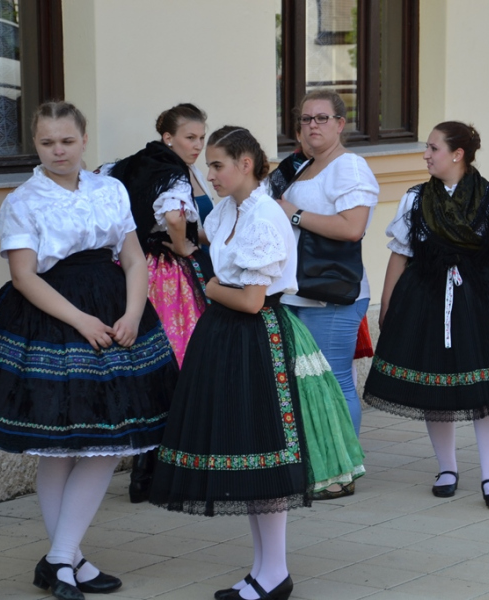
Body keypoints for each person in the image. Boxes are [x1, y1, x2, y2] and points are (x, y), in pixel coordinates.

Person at [0, 101, 178, 600]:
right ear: (35, 144)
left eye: (67, 141)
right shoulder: (23, 200)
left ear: (83, 140)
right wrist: (80, 320)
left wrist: (132, 313)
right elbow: (23, 276)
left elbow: (134, 259)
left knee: (110, 441)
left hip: (116, 311)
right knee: (60, 447)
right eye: (47, 142)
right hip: (52, 317)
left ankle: (62, 558)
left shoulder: (110, 189)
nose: (58, 151)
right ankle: (65, 559)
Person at [149, 126, 364, 600]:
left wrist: (208, 286)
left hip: (259, 335)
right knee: (249, 457)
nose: (210, 174)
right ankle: (265, 570)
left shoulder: (264, 215)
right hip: (228, 336)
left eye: (217, 164)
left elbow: (250, 300)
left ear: (246, 164)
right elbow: (210, 251)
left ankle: (274, 572)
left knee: (264, 453)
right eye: (208, 165)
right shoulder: (229, 209)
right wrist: (184, 241)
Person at [364, 121, 489, 508]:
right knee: (434, 384)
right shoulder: (415, 199)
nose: (426, 155)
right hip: (425, 297)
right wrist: (389, 302)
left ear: (457, 154)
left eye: (434, 148)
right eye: (427, 148)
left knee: (487, 389)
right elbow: (400, 254)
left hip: (480, 299)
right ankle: (447, 468)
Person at [99, 103, 211, 503]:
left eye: (201, 138)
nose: (197, 146)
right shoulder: (173, 173)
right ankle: (158, 471)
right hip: (164, 275)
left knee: (143, 366)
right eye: (190, 137)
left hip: (127, 272)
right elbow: (175, 217)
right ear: (168, 137)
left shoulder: (122, 166)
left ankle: (144, 472)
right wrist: (183, 246)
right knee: (175, 363)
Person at [276, 90, 379, 447]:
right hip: (300, 290)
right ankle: (321, 460)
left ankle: (344, 463)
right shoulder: (304, 165)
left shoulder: (349, 166)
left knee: (333, 380)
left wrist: (294, 214)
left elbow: (352, 227)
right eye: (306, 119)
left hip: (332, 293)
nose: (312, 125)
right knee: (308, 382)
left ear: (340, 124)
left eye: (322, 118)